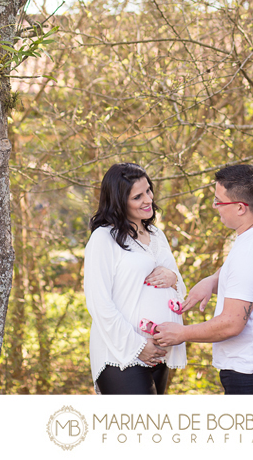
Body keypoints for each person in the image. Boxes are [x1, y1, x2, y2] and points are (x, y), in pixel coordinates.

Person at [153, 164, 253, 394]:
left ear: (240, 207)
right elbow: (249, 277)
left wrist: (181, 334)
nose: (214, 207)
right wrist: (212, 281)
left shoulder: (252, 251)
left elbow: (231, 323)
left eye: (219, 201)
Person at [84, 163, 187, 394]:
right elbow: (98, 303)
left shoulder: (156, 235)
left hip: (160, 352)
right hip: (121, 355)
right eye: (137, 196)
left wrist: (173, 277)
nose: (148, 199)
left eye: (148, 190)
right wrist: (139, 346)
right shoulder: (104, 239)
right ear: (120, 201)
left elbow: (179, 287)